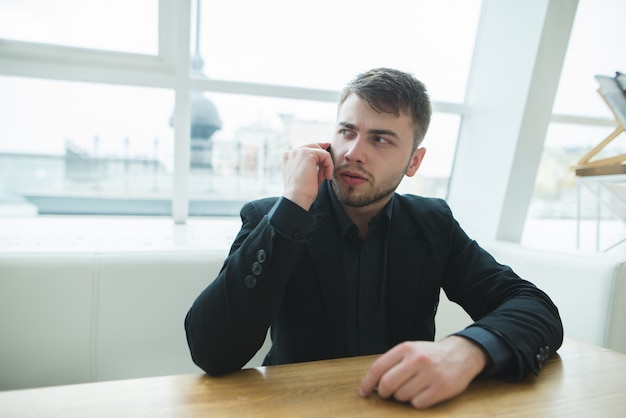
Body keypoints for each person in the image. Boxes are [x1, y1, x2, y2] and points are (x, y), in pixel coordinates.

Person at [184, 67, 563, 409]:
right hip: (299, 407)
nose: (353, 152)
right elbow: (212, 351)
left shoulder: (433, 222)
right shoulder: (273, 216)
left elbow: (533, 307)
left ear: (414, 162)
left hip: (405, 405)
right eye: (347, 131)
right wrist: (293, 204)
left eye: (380, 139)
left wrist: (467, 350)